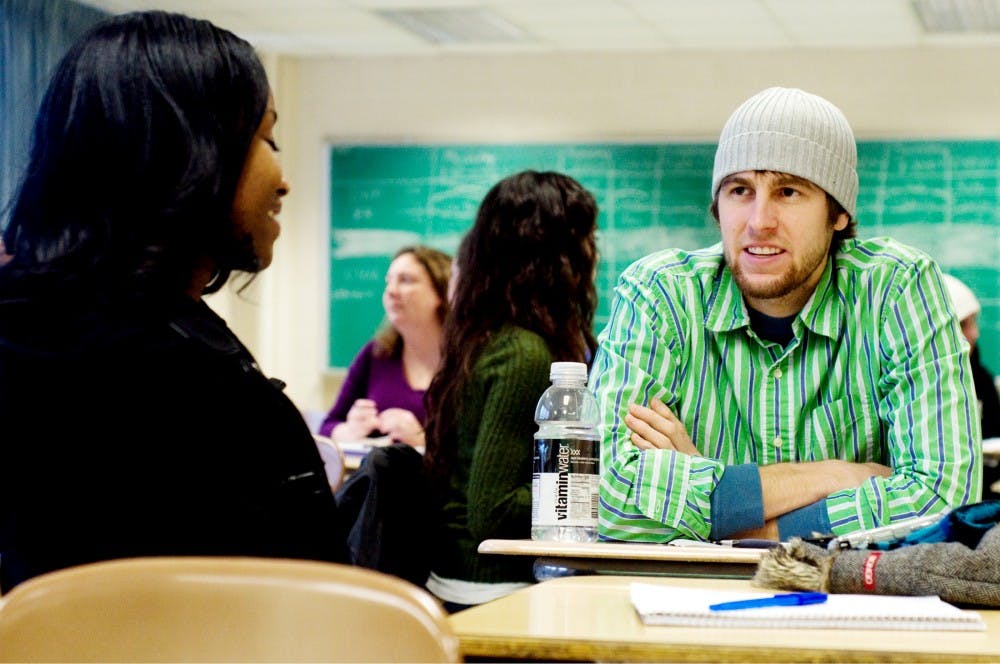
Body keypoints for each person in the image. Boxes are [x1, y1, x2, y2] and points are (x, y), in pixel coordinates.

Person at [0, 11, 347, 592]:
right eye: (266, 138)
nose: (283, 179)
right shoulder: (204, 388)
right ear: (189, 152)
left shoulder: (26, 335)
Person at [591, 86, 981, 545]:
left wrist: (723, 509)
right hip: (676, 603)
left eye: (788, 191)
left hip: (848, 604)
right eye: (740, 190)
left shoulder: (896, 290)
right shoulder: (661, 295)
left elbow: (942, 499)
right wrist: (835, 476)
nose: (759, 221)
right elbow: (605, 498)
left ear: (837, 213)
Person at [422, 170, 599, 610]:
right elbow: (493, 509)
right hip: (490, 589)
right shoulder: (525, 353)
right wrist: (592, 480)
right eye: (586, 237)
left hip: (458, 580)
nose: (593, 253)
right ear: (557, 254)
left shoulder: (488, 338)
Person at [318, 245, 451, 448]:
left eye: (406, 280)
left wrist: (423, 441)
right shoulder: (375, 354)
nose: (391, 291)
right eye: (388, 281)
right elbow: (327, 427)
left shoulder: (467, 361)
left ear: (442, 293)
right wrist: (349, 431)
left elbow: (478, 449)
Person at [943, 273, 1000, 498]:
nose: (974, 333)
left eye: (973, 323)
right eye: (963, 325)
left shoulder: (980, 376)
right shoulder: (926, 385)